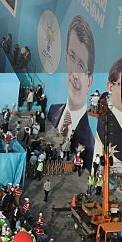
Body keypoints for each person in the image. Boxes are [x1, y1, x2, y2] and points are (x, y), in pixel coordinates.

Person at [47, 15, 96, 171]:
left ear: (89, 81)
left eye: (81, 65)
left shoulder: (89, 140)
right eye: (72, 57)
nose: (74, 72)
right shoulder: (54, 110)